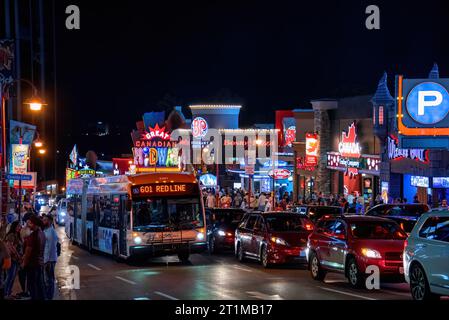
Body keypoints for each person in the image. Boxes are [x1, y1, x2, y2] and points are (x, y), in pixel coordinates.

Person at [22, 215, 46, 300]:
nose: (28, 225)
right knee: (39, 285)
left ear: (34, 224)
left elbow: (28, 252)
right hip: (39, 263)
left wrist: (24, 263)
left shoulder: (33, 236)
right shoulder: (41, 233)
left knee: (33, 287)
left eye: (30, 223)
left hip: (33, 264)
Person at [3, 221, 23, 299]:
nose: (19, 228)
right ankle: (5, 294)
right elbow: (11, 247)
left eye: (20, 226)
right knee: (9, 277)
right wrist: (18, 256)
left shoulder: (17, 235)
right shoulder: (11, 235)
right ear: (14, 226)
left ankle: (9, 293)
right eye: (18, 226)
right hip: (12, 259)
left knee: (12, 277)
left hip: (16, 260)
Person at [42, 215, 58, 300]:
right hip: (46, 259)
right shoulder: (45, 230)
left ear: (50, 221)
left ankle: (49, 297)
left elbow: (51, 248)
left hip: (50, 260)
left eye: (45, 220)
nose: (44, 221)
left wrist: (47, 261)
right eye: (43, 220)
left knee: (49, 280)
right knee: (46, 280)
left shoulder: (51, 232)